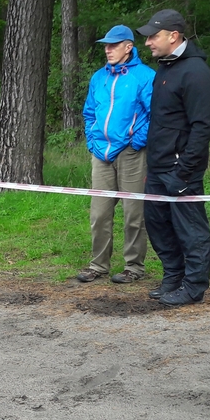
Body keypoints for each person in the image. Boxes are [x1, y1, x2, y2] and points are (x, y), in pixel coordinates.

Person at [137, 9, 210, 306]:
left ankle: (194, 287)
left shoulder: (196, 72)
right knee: (157, 224)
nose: (148, 42)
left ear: (173, 36)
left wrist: (184, 171)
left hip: (182, 170)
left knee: (190, 229)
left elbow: (202, 127)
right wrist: (154, 164)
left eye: (153, 36)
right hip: (158, 166)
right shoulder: (164, 68)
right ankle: (173, 276)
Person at [76, 25, 154, 285]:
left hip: (131, 153)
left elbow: (153, 114)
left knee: (134, 214)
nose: (108, 50)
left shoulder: (145, 76)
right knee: (99, 214)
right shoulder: (99, 77)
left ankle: (134, 267)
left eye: (114, 45)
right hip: (101, 153)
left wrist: (137, 142)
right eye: (106, 45)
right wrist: (92, 141)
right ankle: (98, 265)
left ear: (128, 47)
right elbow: (89, 112)